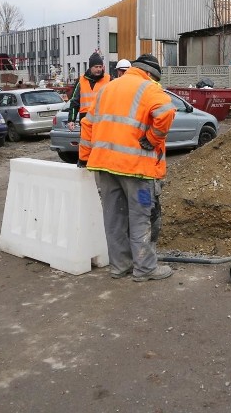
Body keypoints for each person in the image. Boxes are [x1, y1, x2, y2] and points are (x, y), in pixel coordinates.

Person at [79, 53, 176, 282]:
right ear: (151, 74)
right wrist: (152, 139)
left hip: (104, 166)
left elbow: (88, 124)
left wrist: (85, 156)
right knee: (141, 217)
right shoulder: (149, 88)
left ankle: (119, 266)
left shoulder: (107, 88)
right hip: (136, 168)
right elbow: (166, 112)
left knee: (114, 219)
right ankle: (145, 269)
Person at [67, 52, 110, 130]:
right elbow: (74, 102)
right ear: (90, 67)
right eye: (96, 67)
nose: (99, 69)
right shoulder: (81, 81)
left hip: (102, 121)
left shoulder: (108, 80)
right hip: (85, 120)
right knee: (85, 142)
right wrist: (71, 120)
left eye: (100, 67)